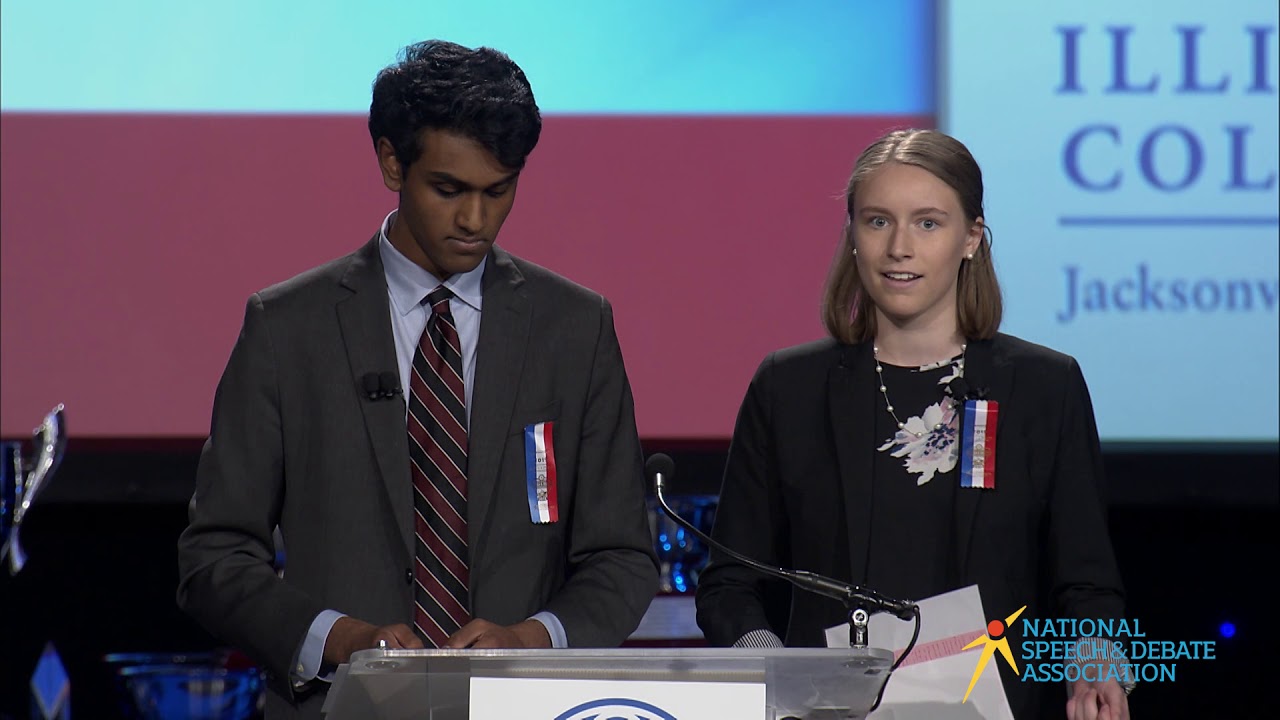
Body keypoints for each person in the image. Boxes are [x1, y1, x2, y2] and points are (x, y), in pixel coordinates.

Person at [177, 40, 659, 718]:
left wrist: (530, 642)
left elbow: (622, 559)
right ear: (391, 162)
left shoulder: (575, 330)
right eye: (449, 190)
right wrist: (339, 640)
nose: (475, 220)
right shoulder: (287, 329)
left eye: (498, 191)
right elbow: (214, 558)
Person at [695, 129, 1130, 719]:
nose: (899, 247)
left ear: (971, 237)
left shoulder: (1043, 387)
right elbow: (729, 587)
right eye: (878, 222)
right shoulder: (788, 389)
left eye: (928, 223)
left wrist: (1095, 663)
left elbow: (1086, 583)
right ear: (853, 236)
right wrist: (779, 672)